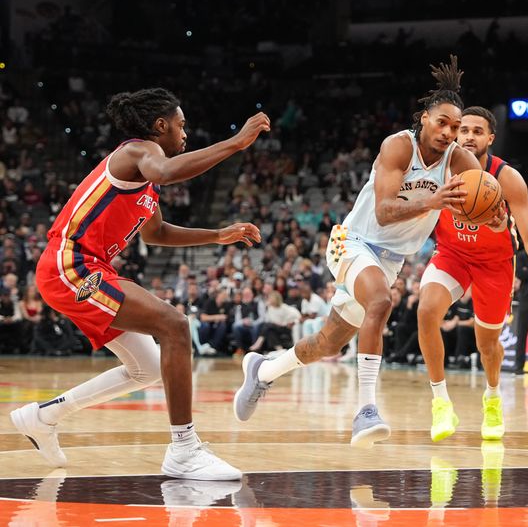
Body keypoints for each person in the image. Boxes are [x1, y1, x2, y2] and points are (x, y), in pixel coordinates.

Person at [10, 88, 268, 480]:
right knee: (175, 325)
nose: (186, 132)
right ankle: (184, 449)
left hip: (90, 269)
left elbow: (157, 232)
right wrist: (235, 143)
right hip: (70, 264)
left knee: (146, 367)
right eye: (180, 124)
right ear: (159, 125)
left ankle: (43, 417)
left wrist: (217, 236)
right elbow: (166, 170)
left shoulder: (145, 182)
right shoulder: (135, 152)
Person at [234, 56, 479, 449]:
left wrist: (496, 210)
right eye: (442, 122)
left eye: (456, 126)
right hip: (352, 241)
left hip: (390, 260)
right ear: (424, 119)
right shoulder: (399, 146)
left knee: (328, 343)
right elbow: (383, 211)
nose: (449, 132)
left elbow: (485, 198)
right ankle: (366, 409)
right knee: (381, 302)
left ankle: (262, 371)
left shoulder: (460, 161)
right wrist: (434, 201)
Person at [415, 106, 528, 443]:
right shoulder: (438, 167)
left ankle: (492, 398)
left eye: (477, 131)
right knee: (425, 311)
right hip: (452, 255)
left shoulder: (506, 178)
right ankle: (441, 404)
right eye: (463, 130)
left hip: (494, 264)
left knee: (488, 344)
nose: (468, 136)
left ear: (490, 138)